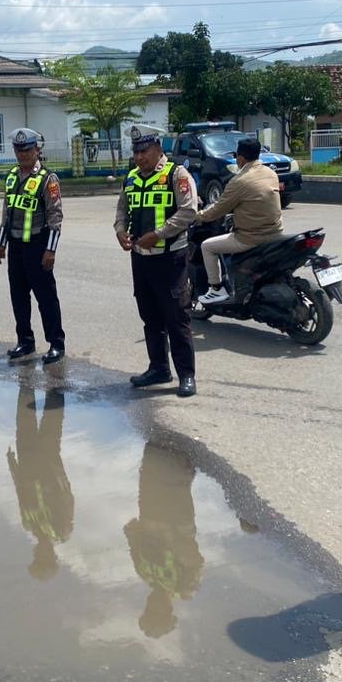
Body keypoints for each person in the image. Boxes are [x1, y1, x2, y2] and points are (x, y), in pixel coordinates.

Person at [113, 126, 199, 397]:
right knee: (150, 317)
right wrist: (119, 231)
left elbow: (189, 211)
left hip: (170, 259)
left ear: (158, 147)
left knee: (177, 318)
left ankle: (186, 375)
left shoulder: (176, 174)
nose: (139, 157)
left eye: (144, 151)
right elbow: (121, 211)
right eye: (136, 152)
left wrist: (159, 234)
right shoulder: (131, 179)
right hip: (141, 260)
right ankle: (158, 368)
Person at [0, 128, 65, 364]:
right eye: (18, 150)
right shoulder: (12, 176)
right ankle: (25, 341)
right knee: (19, 297)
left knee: (46, 298)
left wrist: (50, 250)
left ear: (37, 150)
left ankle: (56, 343)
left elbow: (55, 216)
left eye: (27, 149)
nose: (22, 154)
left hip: (38, 246)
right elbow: (7, 212)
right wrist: (1, 243)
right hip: (16, 246)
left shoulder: (48, 179)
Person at [124, 441, 204, 638]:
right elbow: (194, 557)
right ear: (168, 612)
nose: (151, 606)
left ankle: (162, 431)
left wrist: (133, 534)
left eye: (147, 610)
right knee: (178, 471)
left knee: (153, 459)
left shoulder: (144, 574)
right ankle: (182, 440)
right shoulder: (184, 587)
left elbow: (132, 536)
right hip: (176, 519)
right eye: (155, 612)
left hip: (150, 511)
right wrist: (167, 545)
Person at [194, 136, 283, 305]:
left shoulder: (239, 181)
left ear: (240, 158)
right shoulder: (271, 173)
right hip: (276, 234)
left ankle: (216, 289)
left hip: (250, 238)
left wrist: (197, 215)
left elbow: (217, 210)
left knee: (207, 246)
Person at [7, 379, 73, 581]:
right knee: (51, 423)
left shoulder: (30, 526)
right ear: (52, 557)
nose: (38, 554)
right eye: (42, 559)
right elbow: (67, 498)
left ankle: (26, 386)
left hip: (28, 464)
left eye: (36, 559)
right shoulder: (61, 531)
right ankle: (55, 386)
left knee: (24, 420)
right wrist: (56, 470)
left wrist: (13, 466)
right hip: (47, 466)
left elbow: (20, 493)